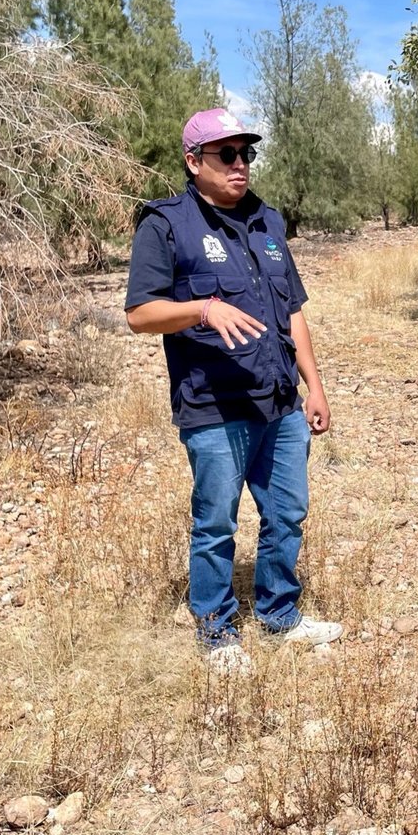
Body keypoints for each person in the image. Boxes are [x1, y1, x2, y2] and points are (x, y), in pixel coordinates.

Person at [124, 107, 343, 671]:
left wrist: (314, 388)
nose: (241, 164)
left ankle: (279, 615)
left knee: (288, 513)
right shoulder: (166, 224)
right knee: (217, 521)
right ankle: (217, 632)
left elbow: (293, 314)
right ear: (193, 161)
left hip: (280, 403)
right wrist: (202, 309)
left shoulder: (268, 222)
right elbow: (140, 315)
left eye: (247, 153)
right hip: (214, 408)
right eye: (227, 154)